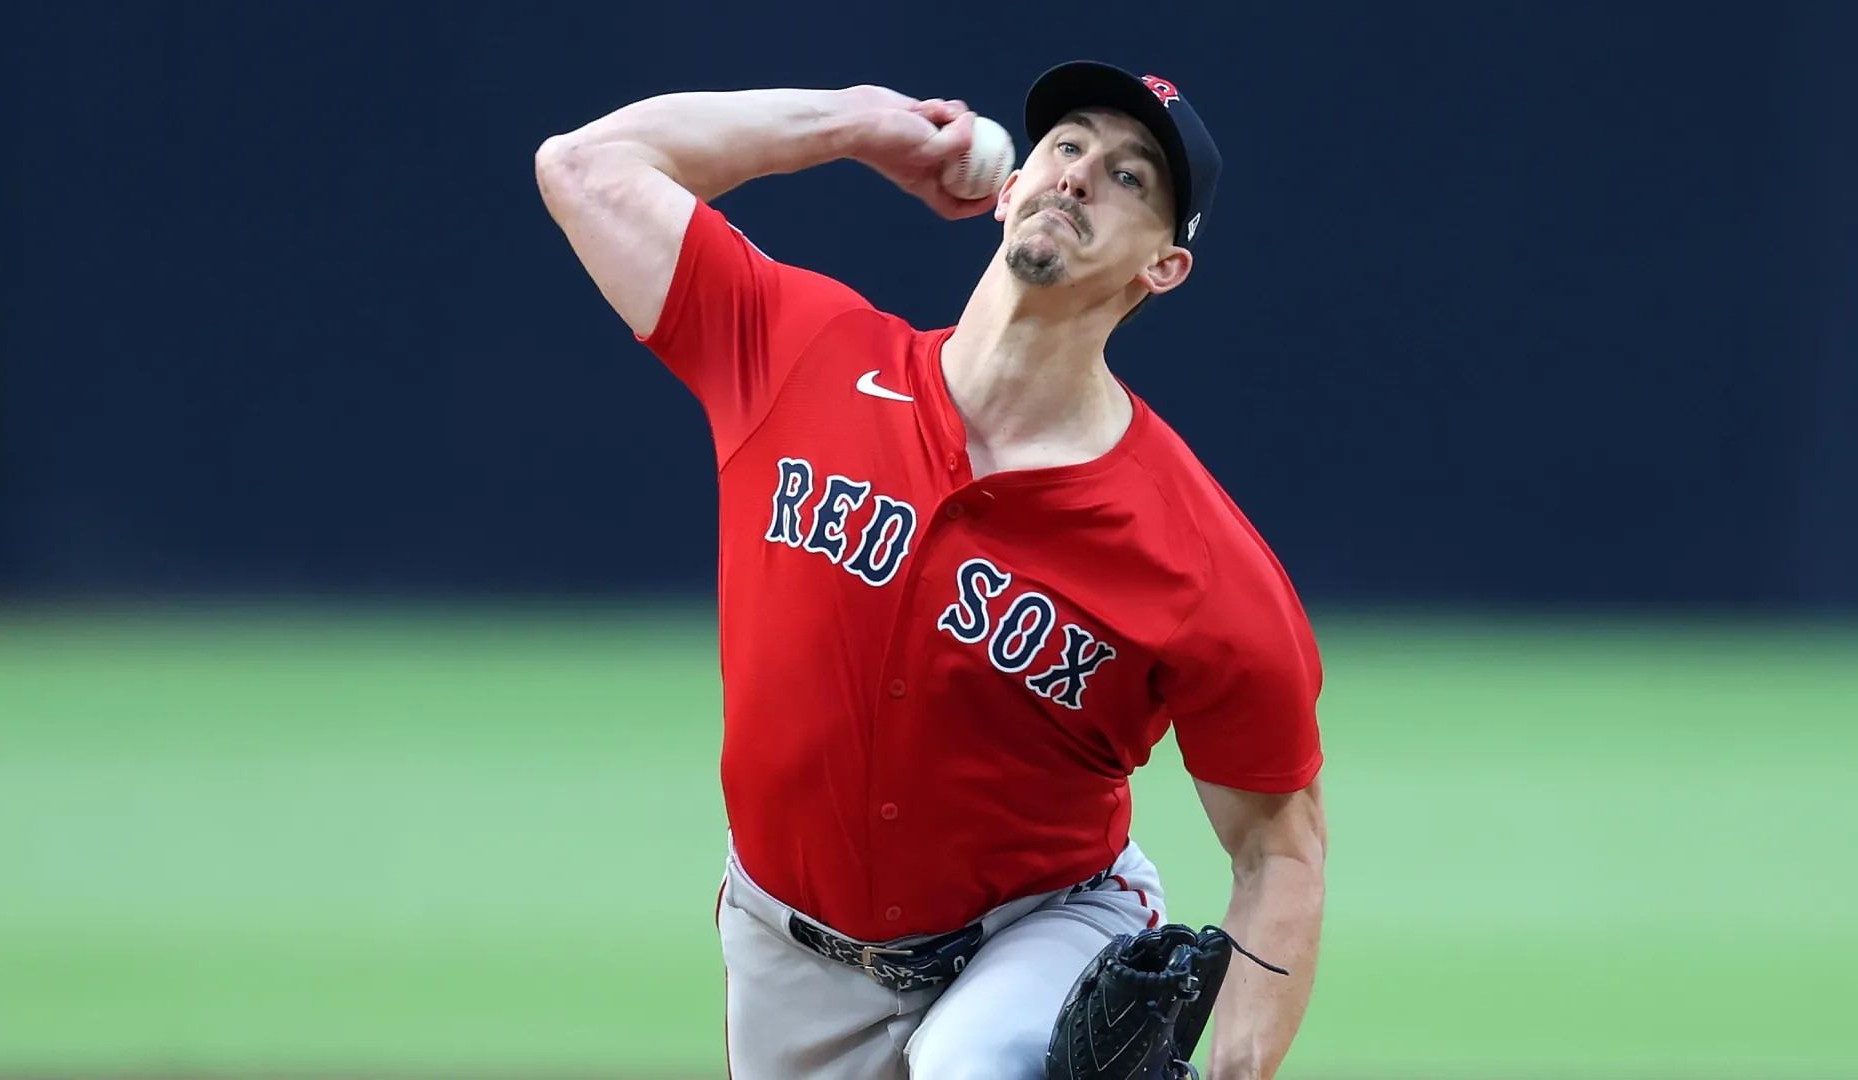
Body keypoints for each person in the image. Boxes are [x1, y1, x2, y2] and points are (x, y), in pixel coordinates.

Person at [535, 60, 1328, 1080]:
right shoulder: (801, 355)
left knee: (966, 1065)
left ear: (1163, 269)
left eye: (1132, 178)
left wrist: (1235, 1072)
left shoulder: (1197, 556)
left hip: (1040, 934)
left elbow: (1281, 850)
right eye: (1068, 147)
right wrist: (855, 123)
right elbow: (588, 164)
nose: (1082, 176)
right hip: (785, 954)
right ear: (1011, 186)